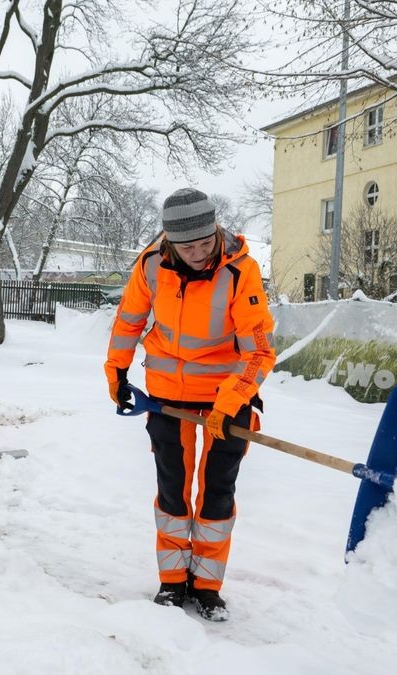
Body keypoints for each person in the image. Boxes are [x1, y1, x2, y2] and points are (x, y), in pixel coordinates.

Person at [105, 188, 276, 622]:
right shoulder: (150, 265)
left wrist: (231, 401)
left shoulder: (242, 272)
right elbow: (129, 319)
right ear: (169, 242)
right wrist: (117, 372)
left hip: (227, 392)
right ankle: (172, 579)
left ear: (216, 230)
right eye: (188, 246)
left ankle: (206, 585)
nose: (199, 253)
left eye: (206, 242)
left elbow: (258, 351)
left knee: (217, 491)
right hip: (166, 393)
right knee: (172, 490)